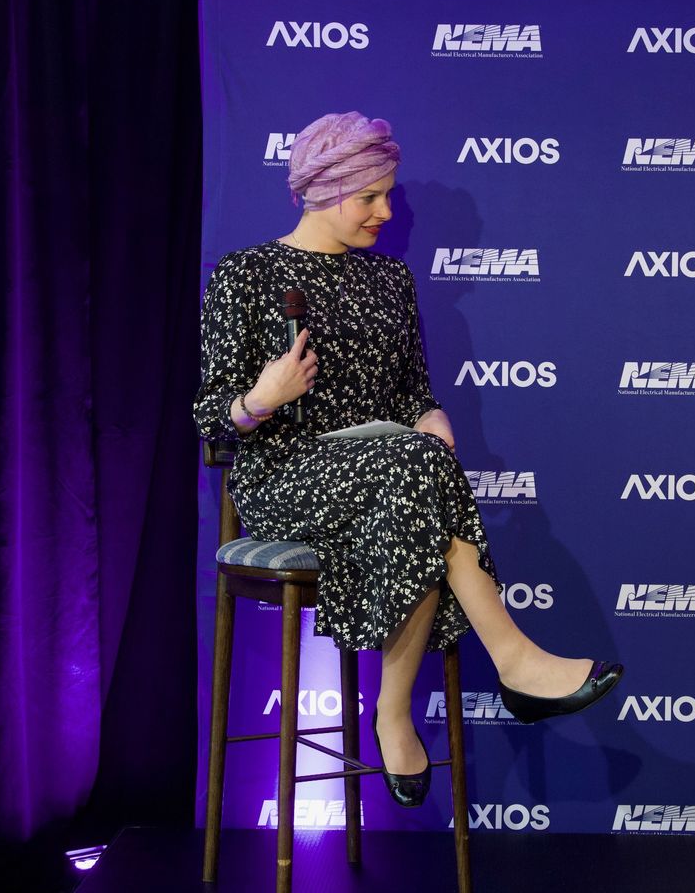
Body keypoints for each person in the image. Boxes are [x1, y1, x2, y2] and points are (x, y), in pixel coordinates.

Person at [194, 111, 622, 807]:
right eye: (370, 197)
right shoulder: (248, 274)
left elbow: (414, 394)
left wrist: (431, 417)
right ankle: (504, 663)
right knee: (416, 474)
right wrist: (261, 398)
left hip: (391, 479)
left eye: (387, 195)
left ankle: (399, 711)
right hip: (284, 477)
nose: (386, 213)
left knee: (415, 469)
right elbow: (211, 417)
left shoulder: (390, 280)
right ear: (323, 190)